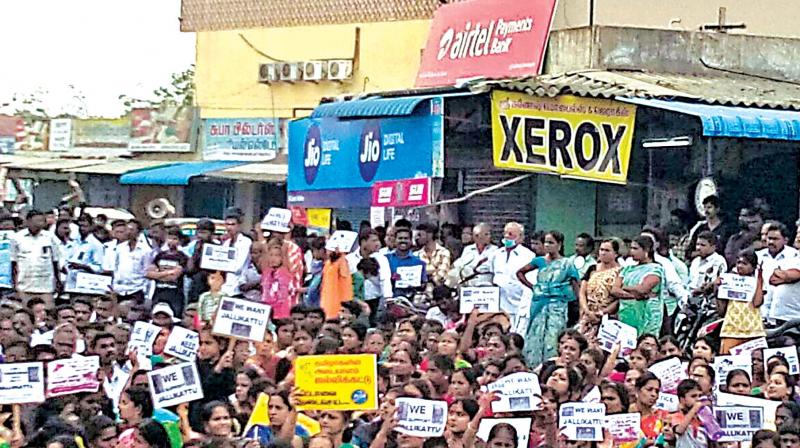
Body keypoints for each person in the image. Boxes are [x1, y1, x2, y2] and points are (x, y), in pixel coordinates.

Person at [517, 231, 580, 367]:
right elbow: (520, 273)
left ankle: (552, 366)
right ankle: (533, 366)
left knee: (553, 337)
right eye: (545, 242)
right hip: (539, 304)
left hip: (558, 305)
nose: (547, 245)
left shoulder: (567, 264)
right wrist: (533, 287)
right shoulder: (539, 261)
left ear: (559, 245)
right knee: (535, 335)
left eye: (551, 242)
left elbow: (576, 285)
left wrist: (580, 304)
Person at [611, 235, 665, 337]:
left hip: (646, 316)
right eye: (631, 248)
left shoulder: (655, 269)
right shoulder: (627, 269)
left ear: (647, 250)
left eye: (635, 249)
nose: (632, 252)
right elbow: (614, 290)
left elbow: (642, 289)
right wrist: (633, 295)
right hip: (626, 315)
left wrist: (625, 287)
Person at [717, 250, 766, 354]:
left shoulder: (757, 281)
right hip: (731, 330)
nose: (740, 266)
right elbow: (722, 310)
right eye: (738, 263)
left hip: (753, 330)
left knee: (755, 363)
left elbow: (757, 303)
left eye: (744, 263)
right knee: (727, 362)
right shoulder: (729, 281)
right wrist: (718, 289)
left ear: (753, 267)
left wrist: (759, 279)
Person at [11, 209, 62, 306]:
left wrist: (58, 282)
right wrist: (14, 285)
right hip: (24, 286)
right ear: (28, 221)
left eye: (42, 221)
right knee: (26, 312)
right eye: (37, 221)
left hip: (46, 286)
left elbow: (55, 261)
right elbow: (13, 263)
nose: (40, 224)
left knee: (48, 312)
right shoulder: (17, 238)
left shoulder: (50, 237)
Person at [578, 239, 621, 343]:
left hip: (608, 317)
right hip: (588, 316)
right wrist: (587, 312)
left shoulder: (621, 271)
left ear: (615, 254)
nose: (603, 253)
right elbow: (582, 293)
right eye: (601, 250)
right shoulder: (592, 269)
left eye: (607, 250)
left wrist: (602, 313)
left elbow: (618, 299)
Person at [492, 222, 534, 325]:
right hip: (499, 307)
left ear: (521, 237)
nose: (506, 236)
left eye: (511, 234)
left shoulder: (528, 256)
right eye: (505, 233)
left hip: (518, 306)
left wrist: (524, 310)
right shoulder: (497, 254)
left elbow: (529, 284)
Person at [761, 223, 800, 324]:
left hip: (788, 314)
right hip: (762, 311)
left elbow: (779, 277)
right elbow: (774, 279)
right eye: (769, 238)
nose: (770, 242)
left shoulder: (793, 255)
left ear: (785, 240)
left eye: (775, 239)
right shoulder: (757, 256)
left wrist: (783, 275)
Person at [345, 229, 392, 309]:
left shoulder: (381, 259)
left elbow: (385, 280)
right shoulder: (349, 259)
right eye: (374, 241)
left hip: (375, 301)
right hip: (354, 302)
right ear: (363, 242)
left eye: (378, 240)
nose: (378, 244)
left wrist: (388, 299)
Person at [147, 228, 189, 317]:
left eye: (175, 239)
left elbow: (174, 276)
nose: (171, 241)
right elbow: (149, 274)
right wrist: (168, 272)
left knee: (175, 317)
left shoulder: (182, 257)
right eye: (169, 238)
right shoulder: (160, 255)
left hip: (175, 293)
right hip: (158, 292)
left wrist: (159, 274)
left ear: (179, 241)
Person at [108, 220, 152, 303]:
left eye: (132, 229)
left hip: (136, 289)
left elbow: (147, 271)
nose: (128, 232)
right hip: (119, 289)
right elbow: (116, 267)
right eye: (127, 229)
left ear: (138, 232)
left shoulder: (145, 250)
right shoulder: (120, 248)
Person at [448, 223, 496, 287]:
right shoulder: (468, 249)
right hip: (468, 286)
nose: (482, 237)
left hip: (487, 286)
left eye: (487, 234)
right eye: (477, 235)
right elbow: (459, 265)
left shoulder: (495, 250)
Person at [672, 378, 715, 448]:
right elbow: (679, 430)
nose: (698, 399)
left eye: (700, 396)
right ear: (682, 400)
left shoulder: (703, 416)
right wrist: (694, 409)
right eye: (693, 396)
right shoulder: (677, 415)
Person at [220, 207, 252, 297]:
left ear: (239, 226)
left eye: (232, 224)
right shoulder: (225, 243)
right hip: (225, 287)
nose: (229, 228)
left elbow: (238, 266)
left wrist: (222, 264)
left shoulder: (246, 242)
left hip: (238, 287)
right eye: (227, 224)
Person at [386, 227, 427, 298]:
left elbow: (423, 285)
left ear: (411, 241)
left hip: (411, 301)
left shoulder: (419, 262)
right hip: (389, 299)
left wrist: (415, 283)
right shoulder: (386, 259)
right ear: (395, 240)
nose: (403, 241)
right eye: (400, 238)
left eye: (406, 238)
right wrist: (393, 278)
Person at [686, 195, 731, 259]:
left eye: (709, 207)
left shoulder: (726, 229)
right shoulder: (700, 228)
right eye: (705, 207)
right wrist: (702, 252)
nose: (706, 210)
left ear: (717, 209)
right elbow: (689, 253)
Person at [687, 230, 727, 297]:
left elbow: (715, 286)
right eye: (697, 244)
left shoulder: (718, 261)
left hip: (706, 301)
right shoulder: (695, 261)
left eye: (703, 245)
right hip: (690, 298)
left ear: (713, 247)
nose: (698, 248)